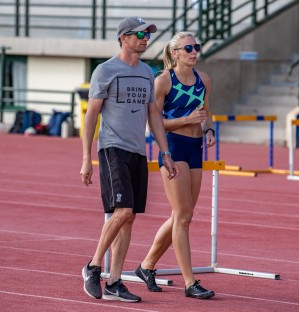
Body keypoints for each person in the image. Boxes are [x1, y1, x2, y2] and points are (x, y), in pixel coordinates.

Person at [80, 16, 179, 303]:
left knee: (129, 218)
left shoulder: (148, 72)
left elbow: (153, 115)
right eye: (139, 34)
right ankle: (94, 266)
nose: (145, 38)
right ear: (124, 38)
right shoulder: (105, 70)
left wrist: (165, 152)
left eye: (148, 34)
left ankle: (114, 281)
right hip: (112, 149)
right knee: (122, 211)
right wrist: (86, 158)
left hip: (137, 151)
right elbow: (91, 116)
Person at [134, 32, 216, 299]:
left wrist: (209, 129)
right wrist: (186, 119)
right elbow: (153, 124)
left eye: (197, 47)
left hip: (195, 149)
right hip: (173, 148)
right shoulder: (163, 82)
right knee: (182, 216)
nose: (194, 51)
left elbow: (206, 113)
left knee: (184, 215)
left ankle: (146, 266)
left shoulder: (204, 79)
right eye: (189, 48)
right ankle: (190, 282)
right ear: (176, 53)